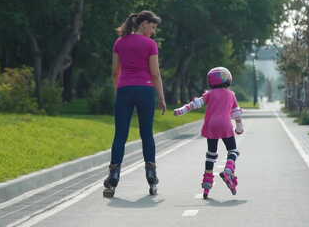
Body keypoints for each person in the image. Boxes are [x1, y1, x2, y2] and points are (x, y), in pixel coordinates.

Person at [103, 10, 167, 198]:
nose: (153, 31)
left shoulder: (119, 42)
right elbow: (155, 74)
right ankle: (151, 175)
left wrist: (119, 89)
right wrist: (161, 97)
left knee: (120, 135)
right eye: (152, 27)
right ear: (144, 23)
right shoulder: (150, 44)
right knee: (146, 134)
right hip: (145, 91)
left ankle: (113, 177)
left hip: (125, 90)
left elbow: (115, 71)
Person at [173, 67, 243, 199]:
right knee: (233, 151)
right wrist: (239, 126)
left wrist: (182, 110)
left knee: (211, 155)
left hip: (211, 125)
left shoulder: (209, 94)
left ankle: (207, 184)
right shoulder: (231, 94)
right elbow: (236, 113)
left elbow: (196, 103)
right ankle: (228, 169)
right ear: (228, 79)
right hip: (225, 125)